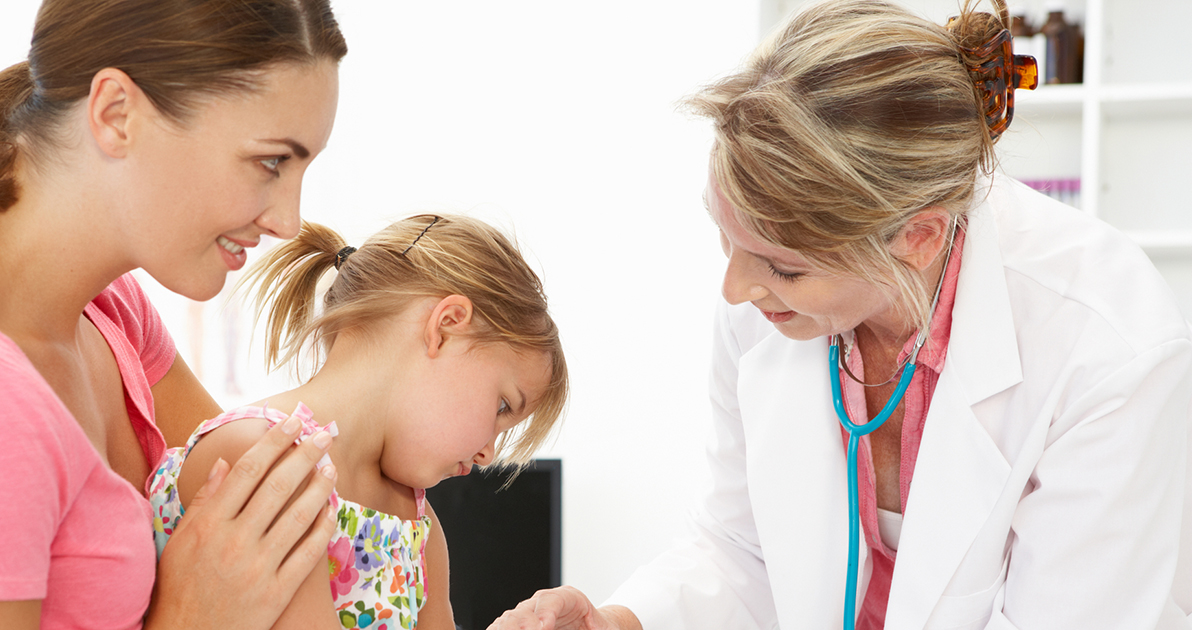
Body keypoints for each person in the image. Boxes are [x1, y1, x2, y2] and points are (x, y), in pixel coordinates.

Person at [488, 0, 1192, 629]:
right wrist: (622, 622)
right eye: (727, 239)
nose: (736, 289)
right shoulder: (769, 310)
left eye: (784, 267)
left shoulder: (1105, 344)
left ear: (917, 237)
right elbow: (742, 547)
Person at [0, 0, 349, 628]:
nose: (287, 221)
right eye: (270, 161)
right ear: (116, 113)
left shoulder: (112, 311)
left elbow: (253, 517)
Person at [148, 214, 570, 630]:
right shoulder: (264, 460)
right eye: (502, 407)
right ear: (446, 326)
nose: (488, 454)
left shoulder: (417, 524)